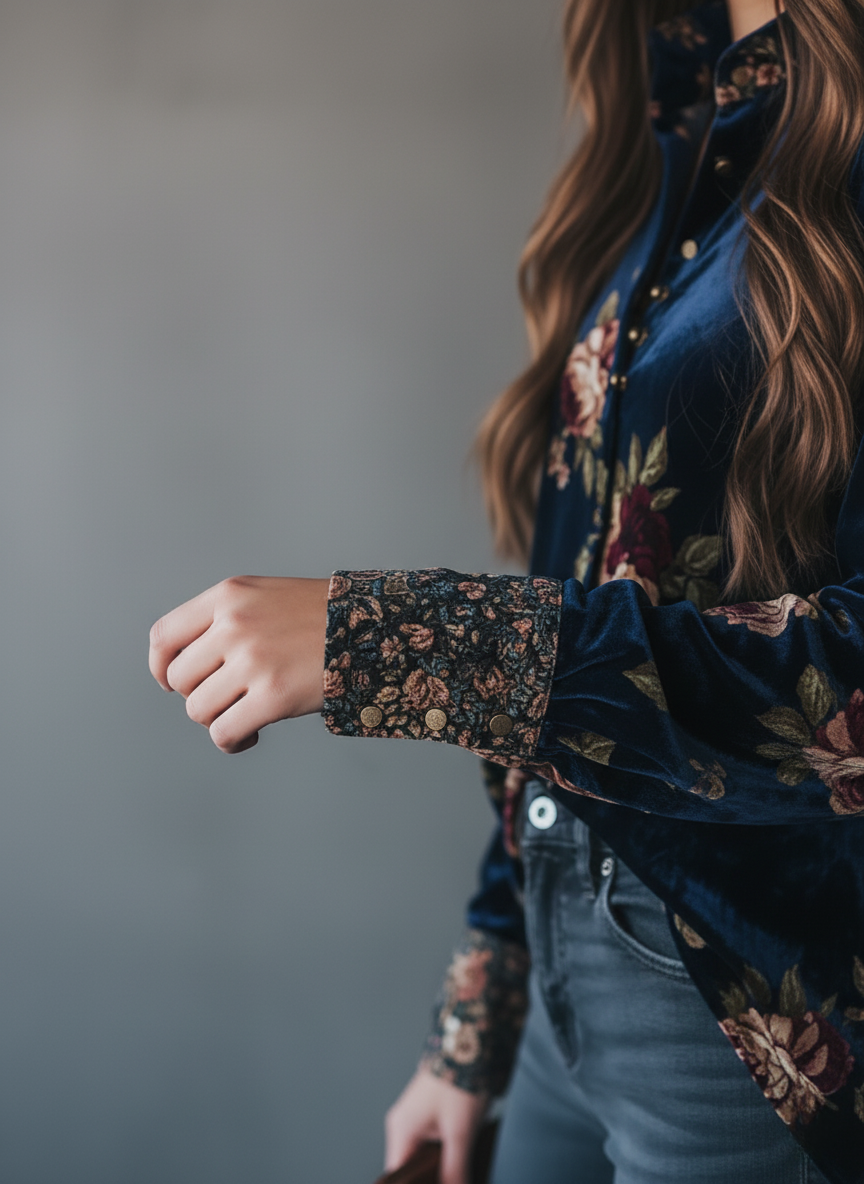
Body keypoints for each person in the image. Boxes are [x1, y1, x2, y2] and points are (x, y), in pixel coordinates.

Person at [148, 0, 864, 1180]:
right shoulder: (684, 114)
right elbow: (584, 596)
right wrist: (477, 1022)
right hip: (561, 973)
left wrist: (396, 640)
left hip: (749, 1025)